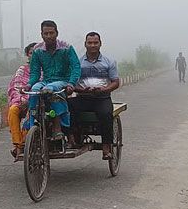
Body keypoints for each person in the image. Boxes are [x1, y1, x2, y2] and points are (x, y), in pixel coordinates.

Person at [27, 20, 81, 141]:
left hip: (63, 81)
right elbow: (35, 72)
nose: (48, 36)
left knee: (52, 88)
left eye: (51, 33)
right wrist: (29, 84)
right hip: (46, 80)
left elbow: (76, 67)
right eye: (45, 33)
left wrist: (71, 83)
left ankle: (58, 127)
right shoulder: (37, 50)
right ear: (41, 34)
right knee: (35, 89)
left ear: (57, 33)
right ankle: (32, 123)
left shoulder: (66, 48)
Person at [70, 32, 120, 160]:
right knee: (67, 107)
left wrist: (104, 89)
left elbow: (115, 82)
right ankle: (73, 138)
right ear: (85, 44)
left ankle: (106, 147)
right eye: (90, 43)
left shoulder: (109, 62)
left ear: (100, 44)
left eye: (95, 42)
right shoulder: (77, 63)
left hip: (102, 98)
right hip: (83, 97)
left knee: (106, 114)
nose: (92, 45)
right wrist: (81, 89)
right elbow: (71, 83)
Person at [7, 43, 37, 158]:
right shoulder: (22, 70)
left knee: (31, 113)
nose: (34, 55)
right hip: (21, 101)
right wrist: (23, 100)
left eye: (37, 53)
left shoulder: (45, 69)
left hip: (38, 103)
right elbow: (15, 87)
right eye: (31, 53)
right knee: (13, 110)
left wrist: (30, 101)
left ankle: (24, 144)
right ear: (27, 55)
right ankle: (18, 144)